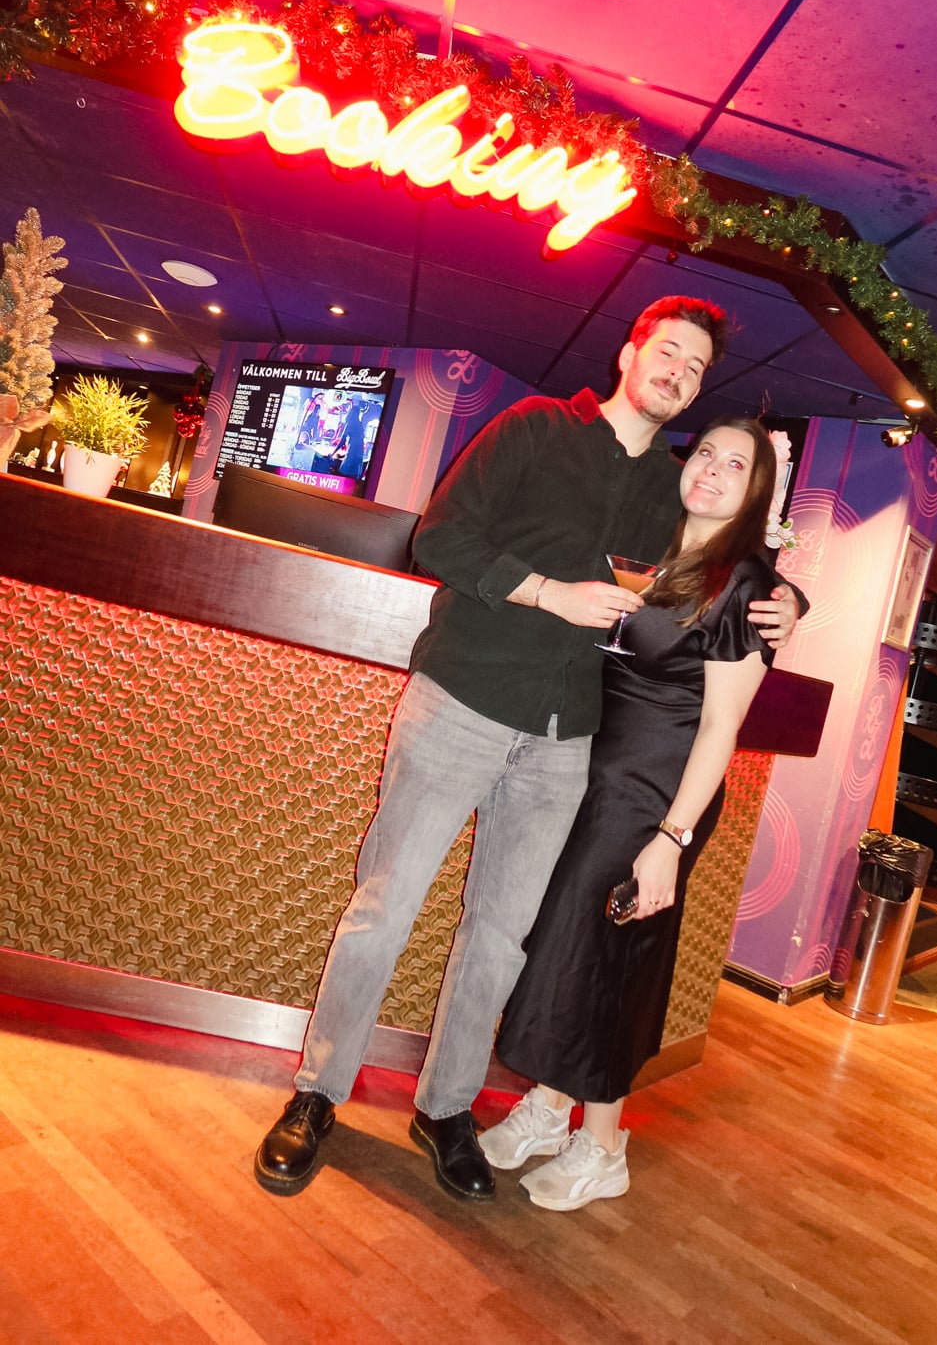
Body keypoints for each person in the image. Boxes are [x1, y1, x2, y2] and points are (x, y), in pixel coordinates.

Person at [253, 297, 801, 1204]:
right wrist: (547, 592)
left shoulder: (672, 489)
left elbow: (723, 557)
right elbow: (439, 537)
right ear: (630, 352)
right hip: (463, 699)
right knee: (385, 909)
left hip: (564, 740)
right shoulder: (534, 428)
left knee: (500, 936)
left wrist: (787, 601)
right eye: (667, 352)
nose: (676, 374)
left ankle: (447, 1107)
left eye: (695, 368)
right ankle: (317, 1094)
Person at [480, 417, 779, 1210]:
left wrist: (671, 839)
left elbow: (721, 726)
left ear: (757, 490)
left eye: (737, 464)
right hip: (598, 778)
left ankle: (605, 1145)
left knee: (614, 963)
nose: (712, 469)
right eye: (705, 452)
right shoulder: (665, 548)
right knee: (568, 947)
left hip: (658, 796)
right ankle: (549, 1106)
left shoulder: (746, 585)